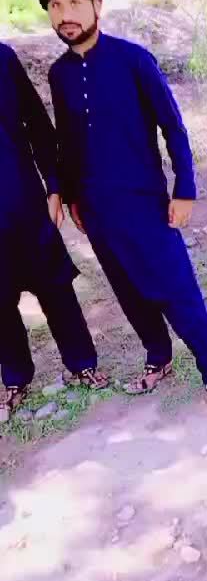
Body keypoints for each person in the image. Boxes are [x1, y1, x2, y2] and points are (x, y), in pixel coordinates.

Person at [39, 0, 207, 417]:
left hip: (145, 205)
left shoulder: (133, 60)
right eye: (55, 5)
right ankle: (158, 357)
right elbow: (66, 140)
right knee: (128, 291)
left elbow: (173, 126)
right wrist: (70, 195)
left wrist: (184, 188)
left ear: (97, 3)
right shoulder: (58, 75)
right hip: (95, 211)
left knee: (176, 289)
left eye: (74, 2)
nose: (65, 14)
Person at [0, 42, 108, 421]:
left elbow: (36, 120)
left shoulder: (3, 59)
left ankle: (82, 364)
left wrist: (53, 185)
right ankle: (15, 379)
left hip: (25, 202)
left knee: (56, 287)